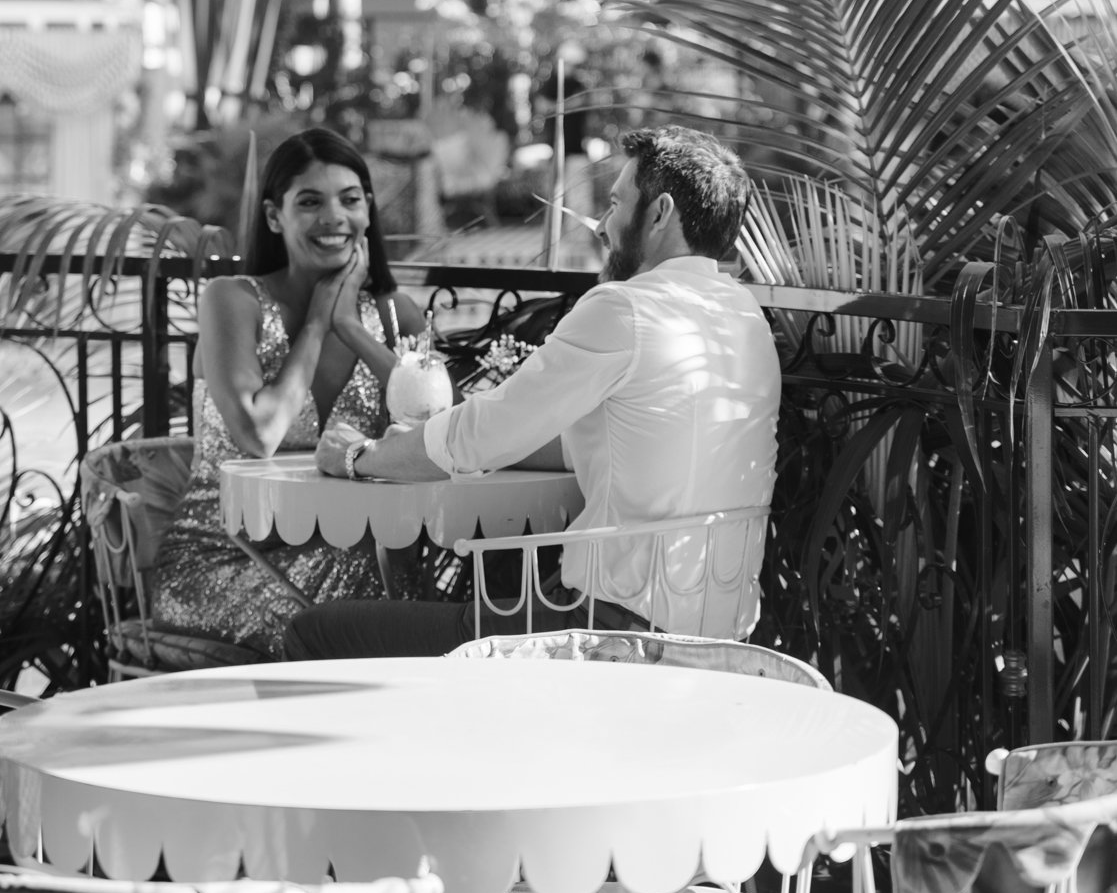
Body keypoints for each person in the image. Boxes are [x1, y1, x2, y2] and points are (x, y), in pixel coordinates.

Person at [284, 125, 781, 660]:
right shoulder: (742, 315)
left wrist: (360, 456)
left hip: (608, 639)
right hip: (721, 639)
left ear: (659, 214)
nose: (603, 225)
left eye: (616, 204)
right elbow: (596, 444)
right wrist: (439, 441)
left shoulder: (626, 308)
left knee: (313, 632)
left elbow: (480, 435)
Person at [151, 128, 425, 664]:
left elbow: (444, 431)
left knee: (409, 607)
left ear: (368, 210)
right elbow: (259, 435)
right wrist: (318, 323)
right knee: (359, 622)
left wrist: (352, 328)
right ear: (275, 217)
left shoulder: (396, 316)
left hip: (361, 557)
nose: (334, 217)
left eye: (350, 200)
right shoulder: (233, 300)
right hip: (226, 559)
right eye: (310, 202)